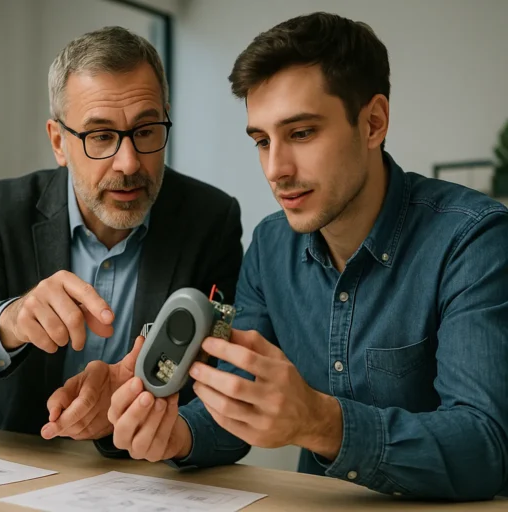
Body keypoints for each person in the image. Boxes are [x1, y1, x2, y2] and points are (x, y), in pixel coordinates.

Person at [103, 12, 508, 501]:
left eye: (301, 133)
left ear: (373, 122)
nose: (276, 169)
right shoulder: (271, 246)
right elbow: (236, 405)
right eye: (261, 141)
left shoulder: (474, 239)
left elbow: (485, 448)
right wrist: (177, 434)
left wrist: (319, 421)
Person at [0, 26, 243, 454]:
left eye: (146, 131)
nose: (128, 163)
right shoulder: (3, 209)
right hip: (12, 459)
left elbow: (227, 396)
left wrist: (150, 416)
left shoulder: (210, 220)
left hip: (143, 476)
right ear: (59, 141)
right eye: (101, 137)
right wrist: (13, 320)